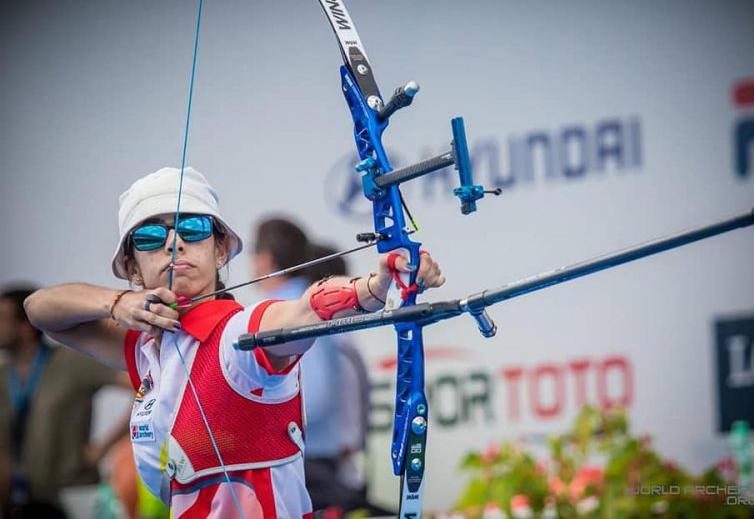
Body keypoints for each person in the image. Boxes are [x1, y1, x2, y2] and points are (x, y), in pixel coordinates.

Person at [24, 167, 445, 518]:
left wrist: (379, 282)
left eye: (192, 227)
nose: (174, 242)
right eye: (151, 237)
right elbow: (39, 310)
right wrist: (116, 302)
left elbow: (304, 310)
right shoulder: (146, 346)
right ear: (132, 266)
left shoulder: (238, 335)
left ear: (221, 250)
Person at [252, 222, 379, 513]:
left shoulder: (293, 305)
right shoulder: (291, 304)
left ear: (266, 259)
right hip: (308, 460)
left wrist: (256, 430)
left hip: (308, 464)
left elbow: (316, 395)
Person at [0, 285, 129, 518]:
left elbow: (144, 385)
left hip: (76, 494)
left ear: (26, 325)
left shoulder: (71, 361)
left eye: (2, 318)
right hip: (25, 500)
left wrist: (103, 447)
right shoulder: (2, 376)